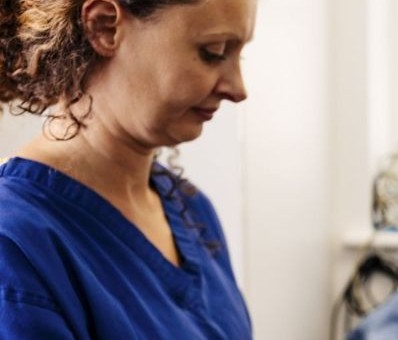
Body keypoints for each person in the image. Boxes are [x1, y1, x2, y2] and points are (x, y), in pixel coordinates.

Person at [0, 0, 255, 338]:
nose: (238, 89)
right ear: (104, 27)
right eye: (213, 51)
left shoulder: (194, 211)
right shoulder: (17, 246)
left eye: (240, 55)